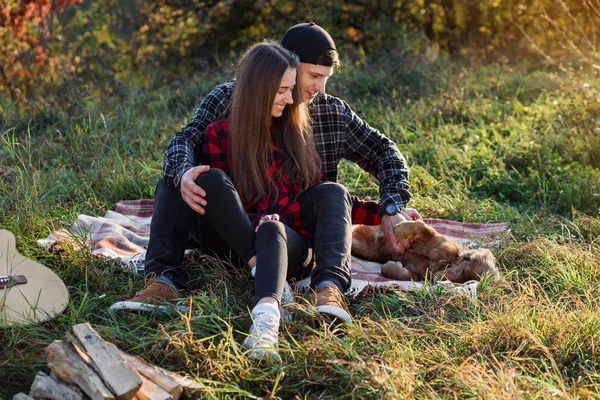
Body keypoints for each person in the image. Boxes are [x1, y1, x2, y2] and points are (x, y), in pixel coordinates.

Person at [127, 23, 420, 319]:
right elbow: (186, 139)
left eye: (326, 78)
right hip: (227, 230)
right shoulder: (230, 99)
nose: (320, 89)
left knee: (328, 194)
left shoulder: (331, 112)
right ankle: (163, 281)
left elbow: (384, 151)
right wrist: (183, 173)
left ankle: (327, 288)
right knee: (177, 179)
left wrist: (390, 206)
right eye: (314, 76)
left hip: (289, 234)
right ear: (285, 65)